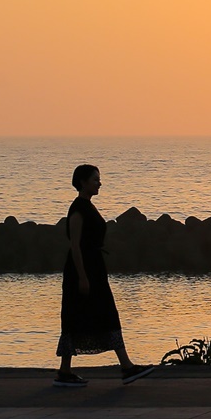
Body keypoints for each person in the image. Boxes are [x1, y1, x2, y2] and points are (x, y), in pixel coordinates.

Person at [53, 164, 155, 387]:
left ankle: (66, 370)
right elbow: (75, 245)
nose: (99, 183)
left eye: (99, 179)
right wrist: (82, 276)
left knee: (100, 313)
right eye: (95, 179)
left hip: (94, 267)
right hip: (83, 269)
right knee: (80, 315)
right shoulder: (78, 208)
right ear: (83, 182)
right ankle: (125, 366)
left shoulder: (88, 206)